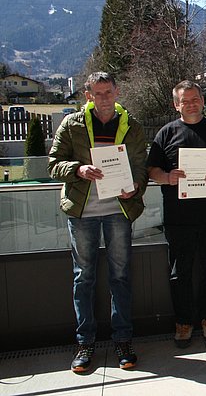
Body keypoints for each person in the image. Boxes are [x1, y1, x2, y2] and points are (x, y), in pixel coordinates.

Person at [48, 71, 148, 373]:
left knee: (120, 278)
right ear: (88, 95)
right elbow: (53, 164)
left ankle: (122, 340)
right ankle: (85, 342)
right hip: (82, 214)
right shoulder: (72, 124)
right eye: (98, 93)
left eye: (109, 92)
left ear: (117, 92)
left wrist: (136, 187)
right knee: (84, 278)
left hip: (119, 210)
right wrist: (78, 169)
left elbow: (141, 168)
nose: (104, 98)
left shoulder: (132, 127)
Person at [147, 80, 206, 348]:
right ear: (176, 104)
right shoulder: (167, 133)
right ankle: (183, 321)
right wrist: (167, 177)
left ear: (203, 100)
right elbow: (152, 171)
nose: (191, 104)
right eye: (185, 100)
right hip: (178, 218)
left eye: (195, 99)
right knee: (179, 272)